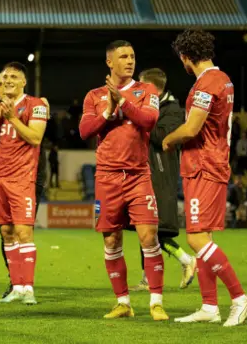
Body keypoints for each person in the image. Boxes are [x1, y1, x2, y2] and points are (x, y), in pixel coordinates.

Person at [163, 28, 247, 326]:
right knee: (204, 238)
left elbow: (191, 129)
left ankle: (240, 298)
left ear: (185, 57)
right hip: (206, 165)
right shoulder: (222, 79)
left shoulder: (207, 84)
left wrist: (167, 140)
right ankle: (209, 306)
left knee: (196, 237)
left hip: (205, 166)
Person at [79, 40, 168, 321]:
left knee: (148, 236)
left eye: (132, 56)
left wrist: (123, 102)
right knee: (111, 240)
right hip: (106, 177)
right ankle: (123, 303)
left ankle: (156, 302)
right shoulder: (94, 95)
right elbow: (84, 131)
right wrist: (108, 111)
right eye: (123, 56)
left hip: (138, 175)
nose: (129, 61)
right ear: (110, 62)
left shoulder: (146, 90)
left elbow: (149, 120)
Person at [0, 72, 50, 299]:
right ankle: (16, 287)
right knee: (6, 232)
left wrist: (12, 117)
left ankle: (29, 289)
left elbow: (35, 138)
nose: (8, 81)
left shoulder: (36, 105)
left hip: (23, 178)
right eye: (3, 79)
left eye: (14, 77)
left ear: (24, 81)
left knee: (24, 232)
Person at [128, 68, 196, 291]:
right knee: (142, 224)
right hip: (141, 171)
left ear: (152, 89)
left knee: (155, 228)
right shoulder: (148, 106)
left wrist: (142, 116)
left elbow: (160, 137)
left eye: (141, 86)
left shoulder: (173, 110)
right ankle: (148, 278)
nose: (137, 90)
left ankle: (185, 259)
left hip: (160, 173)